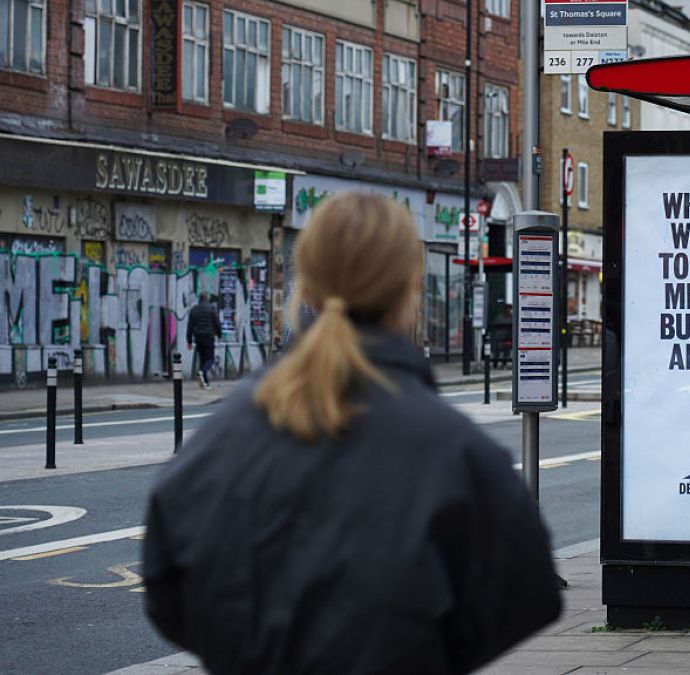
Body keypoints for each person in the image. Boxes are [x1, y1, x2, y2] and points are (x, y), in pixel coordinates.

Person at [142, 193, 562, 674]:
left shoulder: (223, 436)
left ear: (306, 284)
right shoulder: (454, 450)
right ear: (409, 290)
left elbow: (166, 583)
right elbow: (528, 591)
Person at [186, 292, 221, 389]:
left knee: (202, 358)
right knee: (210, 358)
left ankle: (204, 383)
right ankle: (202, 372)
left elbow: (190, 326)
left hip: (198, 337)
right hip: (208, 335)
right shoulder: (211, 308)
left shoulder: (194, 310)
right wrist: (219, 334)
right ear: (207, 298)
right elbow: (216, 322)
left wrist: (189, 340)